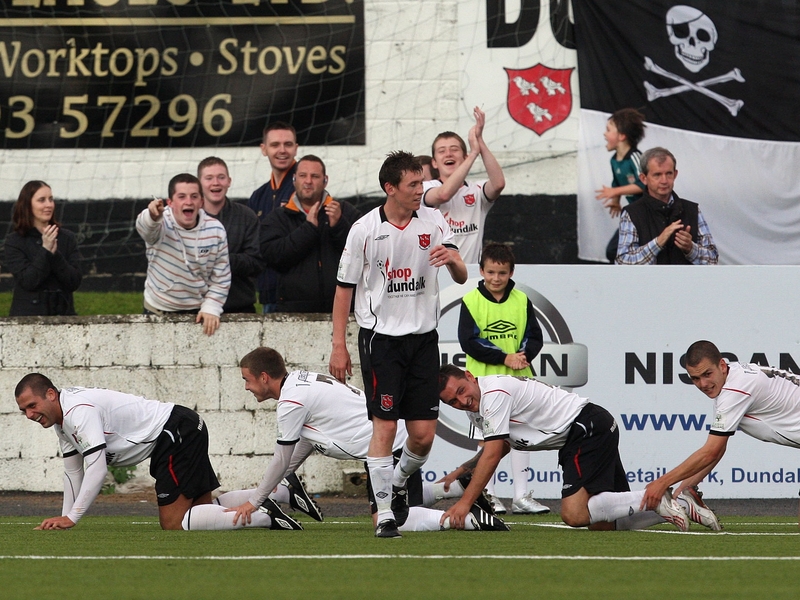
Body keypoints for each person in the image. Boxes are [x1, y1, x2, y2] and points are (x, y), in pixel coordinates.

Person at [214, 347, 507, 533]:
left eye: (247, 380)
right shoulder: (300, 382)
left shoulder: (291, 401)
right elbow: (304, 440)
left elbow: (281, 456)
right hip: (394, 442)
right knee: (401, 506)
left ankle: (470, 521)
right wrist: (281, 480)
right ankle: (456, 486)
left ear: (264, 377)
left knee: (390, 519)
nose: (246, 387)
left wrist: (255, 502)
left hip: (386, 449)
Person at [328, 151, 468, 538]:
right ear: (390, 188)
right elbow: (344, 290)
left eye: (422, 183)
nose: (420, 190)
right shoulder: (364, 230)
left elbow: (461, 273)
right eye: (413, 185)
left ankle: (402, 479)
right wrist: (338, 345)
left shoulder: (434, 220)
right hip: (381, 341)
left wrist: (451, 258)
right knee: (385, 428)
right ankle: (385, 512)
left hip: (423, 340)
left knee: (422, 434)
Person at [437, 365, 722, 531]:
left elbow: (492, 451)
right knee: (605, 523)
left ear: (470, 375)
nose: (461, 402)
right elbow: (498, 449)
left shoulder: (494, 393)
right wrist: (461, 470)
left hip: (585, 428)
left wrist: (464, 503)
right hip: (593, 426)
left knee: (574, 514)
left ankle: (660, 498)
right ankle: (680, 502)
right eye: (452, 402)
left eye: (461, 392)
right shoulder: (477, 405)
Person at [14, 373, 300, 531]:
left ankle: (267, 516)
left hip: (176, 431)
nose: (29, 414)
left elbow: (96, 470)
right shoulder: (62, 421)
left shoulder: (77, 411)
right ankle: (281, 493)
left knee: (174, 523)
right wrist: (64, 519)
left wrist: (73, 517)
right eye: (24, 410)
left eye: (32, 405)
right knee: (201, 512)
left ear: (51, 394)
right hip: (182, 427)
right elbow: (73, 472)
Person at [641, 340, 800, 522]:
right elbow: (719, 448)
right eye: (695, 378)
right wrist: (683, 490)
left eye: (707, 374)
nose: (703, 384)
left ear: (722, 366)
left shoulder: (735, 390)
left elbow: (711, 451)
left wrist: (661, 483)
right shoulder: (732, 379)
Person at [457, 242, 549, 515]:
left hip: (519, 381)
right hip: (483, 384)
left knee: (520, 435)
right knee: (489, 439)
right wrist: (504, 358)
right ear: (482, 271)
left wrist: (524, 355)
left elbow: (535, 336)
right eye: (491, 272)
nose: (496, 279)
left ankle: (521, 496)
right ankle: (490, 494)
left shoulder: (521, 300)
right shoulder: (471, 301)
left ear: (511, 273)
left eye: (502, 273)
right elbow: (469, 342)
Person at [260, 155, 361, 312]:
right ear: (294, 179)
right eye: (302, 176)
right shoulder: (278, 217)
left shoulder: (345, 211)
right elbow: (273, 257)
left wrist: (339, 226)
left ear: (325, 180)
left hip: (344, 310)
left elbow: (363, 252)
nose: (308, 181)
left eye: (314, 176)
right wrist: (308, 229)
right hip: (293, 313)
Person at [135, 173, 231, 336]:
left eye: (194, 196)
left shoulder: (216, 230)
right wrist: (152, 215)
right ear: (170, 203)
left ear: (201, 202)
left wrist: (211, 307)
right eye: (182, 196)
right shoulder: (161, 222)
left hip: (197, 313)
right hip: (157, 310)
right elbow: (145, 229)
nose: (188, 202)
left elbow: (221, 277)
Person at [422, 106, 506, 263]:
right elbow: (443, 195)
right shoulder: (426, 188)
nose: (448, 154)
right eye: (442, 151)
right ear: (434, 162)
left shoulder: (477, 190)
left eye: (454, 149)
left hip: (470, 274)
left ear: (464, 157)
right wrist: (473, 154)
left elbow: (498, 183)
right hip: (435, 275)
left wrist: (479, 141)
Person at [616, 147, 718, 265]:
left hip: (687, 283)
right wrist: (657, 243)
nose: (664, 180)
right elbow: (622, 263)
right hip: (649, 283)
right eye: (657, 175)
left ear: (675, 174)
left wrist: (691, 248)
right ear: (643, 178)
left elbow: (713, 260)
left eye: (669, 174)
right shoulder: (631, 213)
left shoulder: (692, 210)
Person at [4, 180, 82, 316]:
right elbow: (28, 281)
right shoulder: (14, 241)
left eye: (51, 199)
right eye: (41, 200)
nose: (48, 205)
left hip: (63, 316)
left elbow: (74, 281)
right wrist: (45, 250)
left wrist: (55, 255)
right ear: (27, 205)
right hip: (28, 319)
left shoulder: (67, 237)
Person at [198, 157, 264, 314]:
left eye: (221, 177)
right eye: (209, 178)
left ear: (229, 181)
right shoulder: (189, 217)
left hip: (239, 308)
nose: (216, 183)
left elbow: (257, 262)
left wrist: (220, 259)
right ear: (199, 184)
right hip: (196, 310)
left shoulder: (246, 216)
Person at [249, 121, 299, 313]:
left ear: (296, 148)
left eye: (288, 144)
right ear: (264, 149)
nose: (282, 150)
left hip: (299, 295)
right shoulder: (258, 196)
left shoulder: (306, 188)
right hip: (268, 292)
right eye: (275, 145)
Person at [594, 108, 646, 263]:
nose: (604, 134)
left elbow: (644, 184)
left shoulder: (636, 158)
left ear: (622, 136)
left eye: (608, 130)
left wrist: (614, 191)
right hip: (634, 216)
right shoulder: (614, 160)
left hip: (647, 216)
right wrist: (616, 201)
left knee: (620, 251)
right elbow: (616, 183)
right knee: (613, 252)